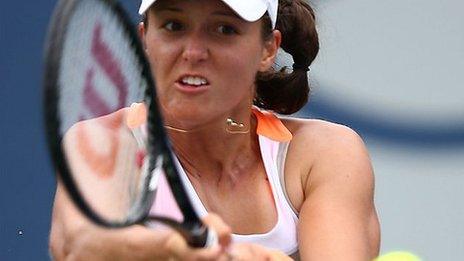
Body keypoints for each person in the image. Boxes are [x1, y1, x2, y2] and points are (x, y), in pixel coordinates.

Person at [49, 0, 380, 260]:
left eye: (224, 29)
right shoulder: (103, 142)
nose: (193, 52)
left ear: (268, 49)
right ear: (144, 40)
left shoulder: (323, 153)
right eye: (174, 25)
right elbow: (80, 246)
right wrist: (175, 250)